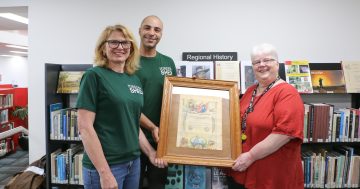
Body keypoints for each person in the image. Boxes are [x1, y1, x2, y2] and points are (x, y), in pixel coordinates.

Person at [76, 24, 167, 189]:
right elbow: (84, 128)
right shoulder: (94, 76)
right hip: (107, 166)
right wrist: (104, 173)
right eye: (114, 42)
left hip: (133, 163)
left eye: (125, 43)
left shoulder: (133, 79)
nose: (120, 47)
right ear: (103, 47)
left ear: (131, 48)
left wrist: (150, 152)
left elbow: (132, 122)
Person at [227, 43, 304, 189]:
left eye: (267, 60)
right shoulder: (250, 91)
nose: (262, 65)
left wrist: (250, 156)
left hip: (271, 177)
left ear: (277, 63)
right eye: (257, 62)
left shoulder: (287, 93)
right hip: (242, 171)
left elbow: (283, 134)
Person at [135, 15, 177, 189]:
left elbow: (175, 99)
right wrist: (152, 126)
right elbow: (126, 107)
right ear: (139, 31)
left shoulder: (168, 62)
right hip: (133, 139)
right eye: (147, 28)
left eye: (157, 30)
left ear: (161, 34)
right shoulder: (127, 62)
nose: (152, 33)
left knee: (157, 186)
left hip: (161, 142)